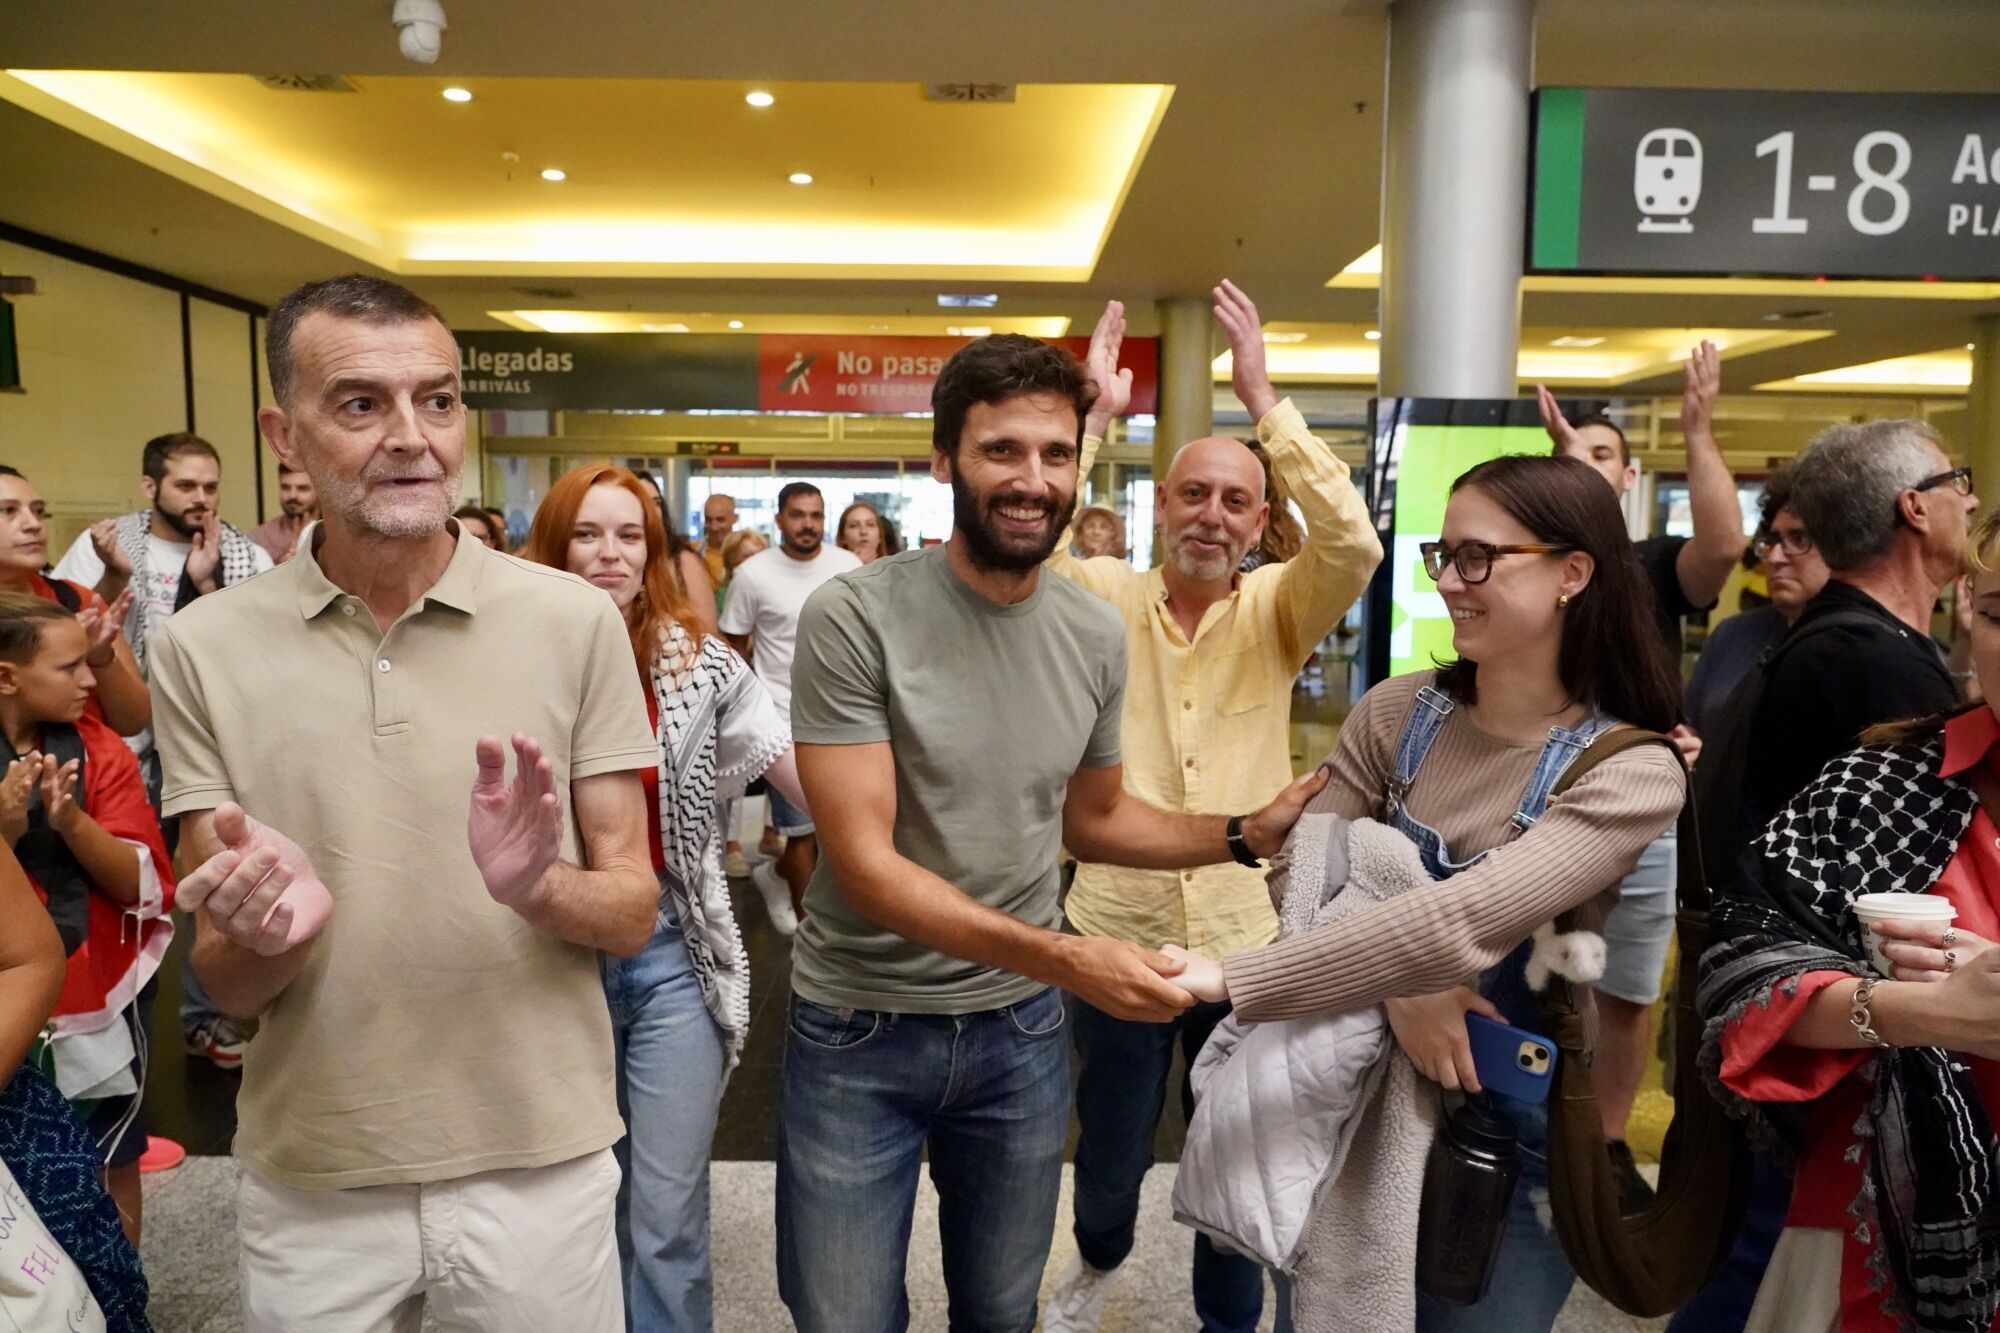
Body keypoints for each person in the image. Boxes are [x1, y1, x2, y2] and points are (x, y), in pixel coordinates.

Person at [776, 331, 1328, 1333]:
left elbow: (1095, 815)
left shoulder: (1087, 632)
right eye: (1001, 451)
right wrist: (1067, 959)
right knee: (842, 1314)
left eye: (1056, 454)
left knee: (997, 1308)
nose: (1032, 480)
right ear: (944, 460)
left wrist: (1244, 833)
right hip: (861, 1025)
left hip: (1015, 1036)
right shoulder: (856, 615)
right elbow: (861, 864)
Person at [149, 273, 660, 1333]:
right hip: (316, 1172)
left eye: (437, 399)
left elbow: (630, 911)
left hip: (539, 1162)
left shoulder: (571, 622)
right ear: (282, 433)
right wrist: (274, 933)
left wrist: (536, 884)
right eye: (360, 404)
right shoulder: (202, 646)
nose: (412, 436)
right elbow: (225, 978)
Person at [1166, 452, 1686, 1331]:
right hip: (1344, 1092)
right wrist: (1403, 988)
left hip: (1510, 1124)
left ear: (1573, 572)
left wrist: (1233, 980)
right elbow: (1306, 863)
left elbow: (1466, 917)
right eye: (1443, 554)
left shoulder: (1632, 769)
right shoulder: (1395, 713)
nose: (1450, 580)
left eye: (1479, 557)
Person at [1042, 285, 1383, 1333]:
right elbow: (1038, 547)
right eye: (1193, 494)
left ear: (1258, 520)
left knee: (1232, 1142)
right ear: (1160, 506)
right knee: (1106, 1145)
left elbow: (1355, 546)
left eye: (1235, 502)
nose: (1212, 516)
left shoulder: (1278, 608)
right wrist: (1093, 420)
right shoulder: (1099, 595)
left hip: (1243, 941)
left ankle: (1226, 1323)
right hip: (1116, 932)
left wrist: (1263, 404)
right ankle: (1098, 1251)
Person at [1696, 504, 2000, 1333]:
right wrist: (1922, 1010)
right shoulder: (1886, 781)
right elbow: (1743, 973)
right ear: (1968, 606)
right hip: (1872, 1232)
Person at [524, 464, 805, 1332]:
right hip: (543, 968)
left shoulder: (696, 660)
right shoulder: (501, 659)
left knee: (666, 1214)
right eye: (588, 533)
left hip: (672, 957)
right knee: (575, 1206)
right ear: (552, 543)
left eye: (629, 535)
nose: (610, 553)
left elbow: (785, 759)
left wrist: (895, 820)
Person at [1537, 346, 1739, 1202]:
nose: (1589, 465)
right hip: (1546, 806)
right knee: (1555, 975)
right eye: (1572, 456)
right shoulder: (1535, 568)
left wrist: (1698, 431)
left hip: (1647, 811)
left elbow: (1724, 543)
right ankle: (1549, 1126)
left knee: (1626, 986)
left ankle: (1609, 1142)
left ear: (1627, 479)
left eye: (1604, 455)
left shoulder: (1652, 567)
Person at [52, 432, 274, 1071]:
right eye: (186, 486)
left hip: (209, 743)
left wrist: (207, 587)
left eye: (210, 486)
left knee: (210, 875)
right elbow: (62, 637)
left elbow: (258, 651)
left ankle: (207, 1017)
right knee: (132, 890)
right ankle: (116, 1029)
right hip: (127, 749)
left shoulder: (242, 555)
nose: (201, 499)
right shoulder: (105, 547)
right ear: (151, 487)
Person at [0, 594, 175, 1248]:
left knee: (108, 1153)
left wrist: (70, 820)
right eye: (69, 666)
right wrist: (5, 835)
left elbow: (146, 887)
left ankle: (116, 1296)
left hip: (97, 987)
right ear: (8, 675)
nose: (88, 680)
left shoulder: (97, 747)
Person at [1744, 420, 1975, 840]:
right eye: (1956, 482)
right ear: (1914, 507)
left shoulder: (1844, 642)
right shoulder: (1870, 661)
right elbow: (1935, 836)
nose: (1971, 501)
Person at [0, 835, 152, 1333]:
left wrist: (65, 819)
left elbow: (138, 878)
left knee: (116, 1151)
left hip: (84, 993)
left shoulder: (99, 757)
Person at [718, 481, 860, 935]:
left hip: (845, 717)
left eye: (816, 515)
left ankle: (776, 875)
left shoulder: (848, 567)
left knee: (839, 825)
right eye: (798, 515)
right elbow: (735, 650)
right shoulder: (753, 574)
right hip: (781, 720)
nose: (808, 524)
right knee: (799, 829)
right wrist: (744, 717)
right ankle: (810, 935)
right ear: (779, 519)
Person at [0, 467, 148, 738]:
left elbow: (134, 721)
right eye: (8, 511)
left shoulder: (76, 600)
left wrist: (99, 657)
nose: (33, 524)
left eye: (38, 510)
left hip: (92, 771)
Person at [1682, 468, 1831, 736]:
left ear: (1841, 547)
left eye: (1798, 539)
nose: (1775, 558)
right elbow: (1689, 725)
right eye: (1771, 542)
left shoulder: (1858, 645)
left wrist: (1715, 758)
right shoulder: (1732, 634)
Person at [249, 461, 319, 563]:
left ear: (319, 491)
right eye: (285, 487)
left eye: (302, 488)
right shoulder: (260, 538)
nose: (292, 495)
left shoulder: (336, 532)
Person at [836, 500, 901, 565]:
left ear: (880, 536)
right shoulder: (834, 570)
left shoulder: (895, 569)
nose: (863, 531)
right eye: (854, 525)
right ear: (843, 537)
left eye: (870, 524)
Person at [701, 493, 737, 587]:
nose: (714, 527)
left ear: (735, 518)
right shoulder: (691, 553)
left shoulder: (747, 555)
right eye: (708, 520)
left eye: (720, 520)